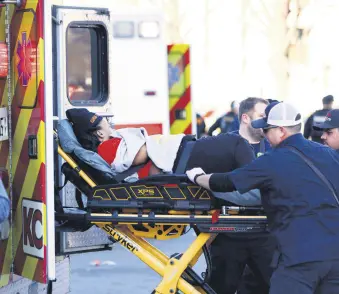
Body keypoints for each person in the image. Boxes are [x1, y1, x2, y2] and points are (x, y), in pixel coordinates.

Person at [186, 101, 339, 294]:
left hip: (299, 259)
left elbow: (228, 182)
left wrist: (198, 177)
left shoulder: (272, 160)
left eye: (267, 129)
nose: (264, 134)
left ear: (281, 131)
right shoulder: (329, 154)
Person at [65, 108, 255, 180]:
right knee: (235, 142)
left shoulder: (109, 144)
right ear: (99, 133)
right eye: (103, 122)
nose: (108, 123)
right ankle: (257, 183)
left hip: (182, 154)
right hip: (181, 157)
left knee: (233, 145)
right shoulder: (106, 148)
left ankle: (255, 180)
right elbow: (139, 154)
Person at [209, 97, 275, 294]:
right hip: (228, 231)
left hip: (264, 232)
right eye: (262, 115)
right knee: (221, 288)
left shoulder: (273, 147)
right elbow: (210, 184)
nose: (266, 121)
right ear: (245, 118)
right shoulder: (222, 146)